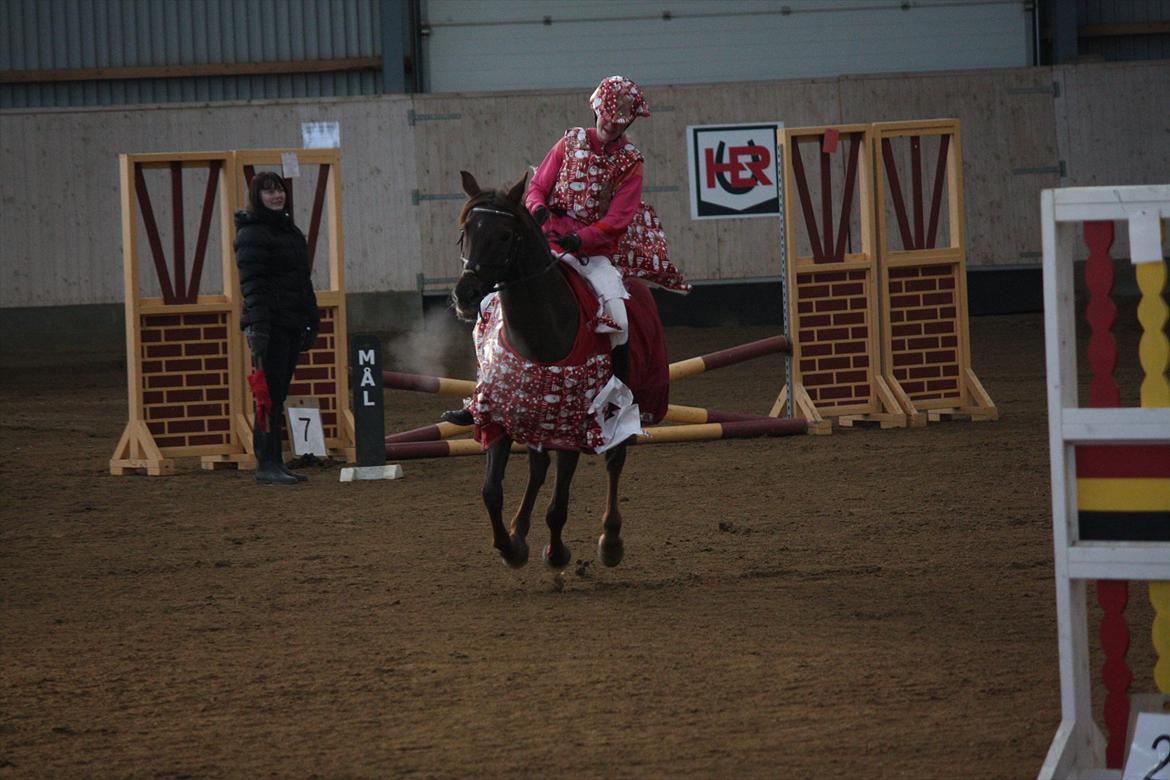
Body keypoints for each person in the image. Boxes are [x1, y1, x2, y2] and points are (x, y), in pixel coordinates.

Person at [442, 75, 689, 426]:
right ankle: (482, 395)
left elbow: (619, 219)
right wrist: (538, 207)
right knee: (487, 306)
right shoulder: (570, 141)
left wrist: (584, 238)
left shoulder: (631, 162)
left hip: (594, 252)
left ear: (629, 122)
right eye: (606, 117)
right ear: (596, 112)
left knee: (617, 315)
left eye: (618, 122)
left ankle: (615, 396)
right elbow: (538, 185)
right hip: (546, 240)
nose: (610, 125)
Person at [235, 171, 319, 484]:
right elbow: (252, 285)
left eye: (279, 190)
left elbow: (303, 281)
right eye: (269, 191)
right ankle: (265, 463)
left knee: (278, 394)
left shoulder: (290, 232)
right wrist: (258, 326)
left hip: (290, 323)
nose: (276, 196)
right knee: (266, 396)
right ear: (258, 197)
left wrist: (312, 318)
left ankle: (275, 460)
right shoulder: (252, 234)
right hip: (268, 325)